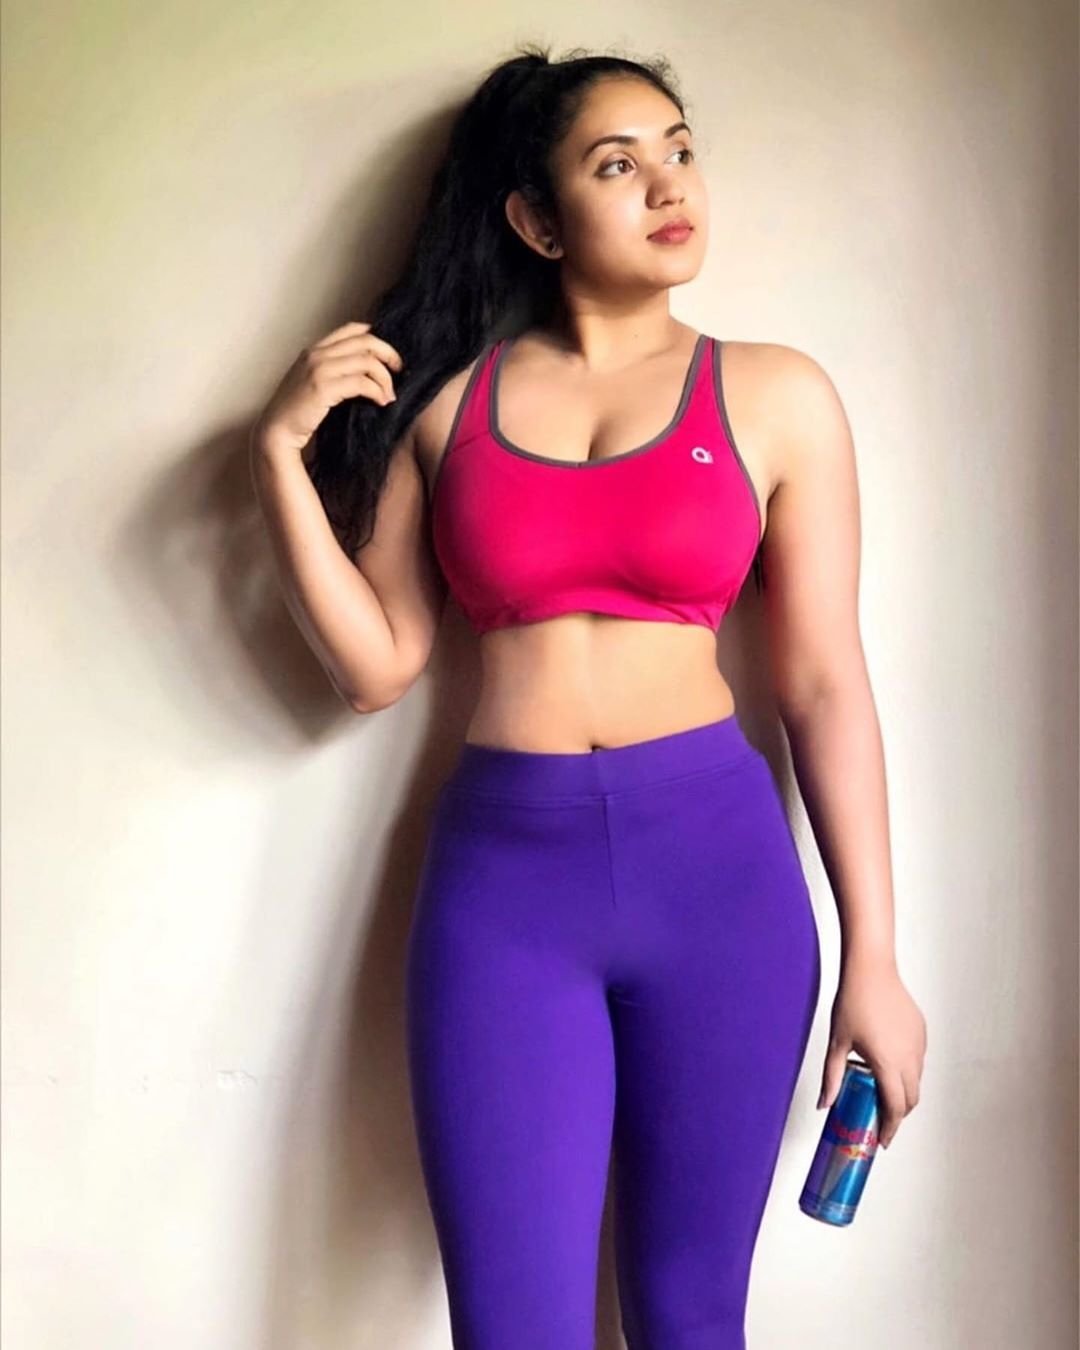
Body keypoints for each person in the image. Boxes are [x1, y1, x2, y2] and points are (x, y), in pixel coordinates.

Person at [249, 43, 928, 1350]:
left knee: (689, 1317)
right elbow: (376, 666)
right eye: (618, 164)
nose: (670, 185)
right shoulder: (448, 405)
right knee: (514, 1330)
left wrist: (878, 959)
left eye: (680, 150)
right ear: (537, 219)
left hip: (722, 884)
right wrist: (279, 455)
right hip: (507, 896)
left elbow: (824, 683)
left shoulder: (778, 394)